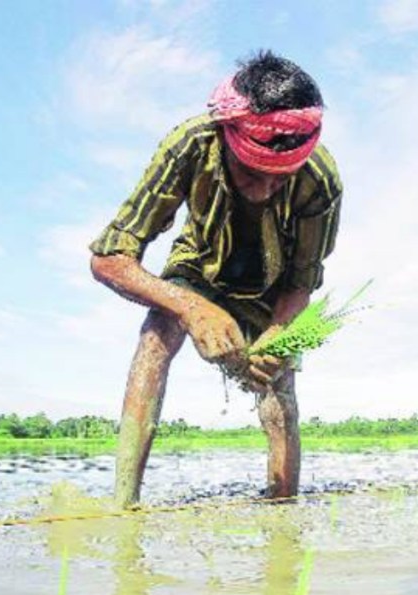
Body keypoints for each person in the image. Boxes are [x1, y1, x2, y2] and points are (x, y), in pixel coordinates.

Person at [89, 51, 341, 508]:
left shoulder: (319, 180)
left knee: (279, 383)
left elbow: (302, 283)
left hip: (273, 280)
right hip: (199, 266)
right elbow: (109, 258)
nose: (265, 190)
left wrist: (277, 336)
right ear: (229, 139)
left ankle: (282, 512)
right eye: (252, 173)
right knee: (155, 337)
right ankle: (123, 504)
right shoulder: (191, 144)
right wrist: (190, 307)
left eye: (279, 180)